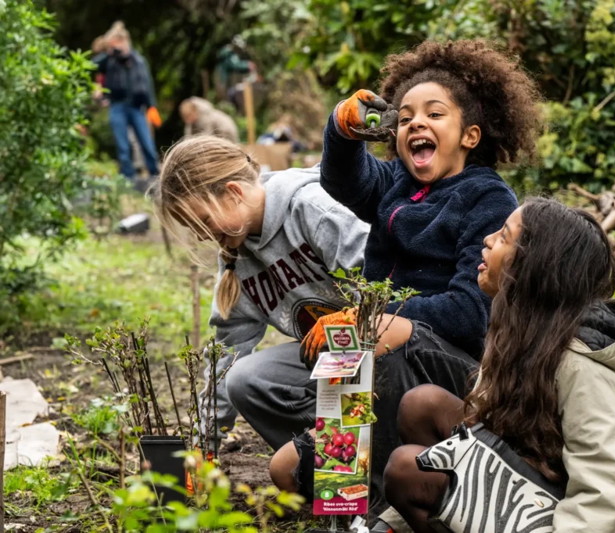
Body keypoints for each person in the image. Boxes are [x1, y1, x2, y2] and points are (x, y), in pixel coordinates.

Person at [268, 39, 543, 529]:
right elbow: (343, 180)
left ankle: (373, 510)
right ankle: (342, 498)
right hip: (381, 346)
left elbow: (470, 309)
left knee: (378, 351)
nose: (416, 122)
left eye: (434, 114)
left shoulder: (486, 197)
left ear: (470, 136)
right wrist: (341, 129)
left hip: (457, 363)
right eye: (407, 116)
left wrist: (391, 324)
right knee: (285, 470)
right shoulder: (395, 183)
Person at [382, 198, 615, 533]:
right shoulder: (522, 335)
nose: (487, 240)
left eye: (504, 237)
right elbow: (476, 439)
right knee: (423, 405)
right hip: (534, 484)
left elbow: (602, 487)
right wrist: (387, 526)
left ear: (535, 267)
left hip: (590, 516)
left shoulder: (584, 363)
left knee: (405, 470)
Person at [154, 135, 370, 452]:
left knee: (340, 348)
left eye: (202, 221)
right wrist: (203, 446)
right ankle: (329, 461)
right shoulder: (236, 257)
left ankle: (373, 452)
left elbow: (391, 286)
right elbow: (226, 357)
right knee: (243, 378)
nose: (201, 236)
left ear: (233, 193)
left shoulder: (312, 209)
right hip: (336, 369)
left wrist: (353, 317)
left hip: (390, 355)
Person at [92, 21, 161, 185]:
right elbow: (92, 64)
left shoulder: (138, 61)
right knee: (123, 144)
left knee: (146, 142)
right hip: (117, 106)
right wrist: (110, 53)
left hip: (137, 107)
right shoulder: (109, 61)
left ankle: (155, 174)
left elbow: (147, 83)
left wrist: (152, 106)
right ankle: (128, 177)